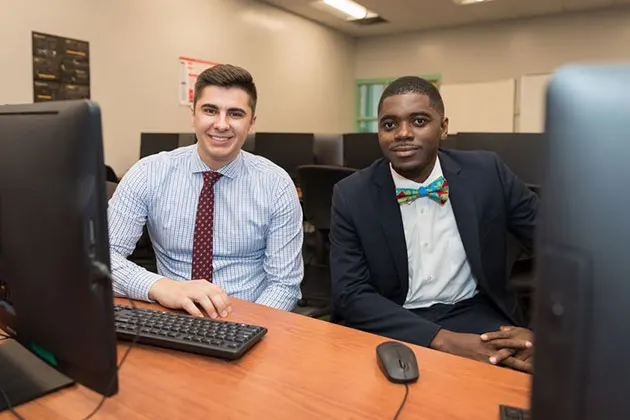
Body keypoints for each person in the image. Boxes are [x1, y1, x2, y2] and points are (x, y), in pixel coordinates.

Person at [329, 76, 536, 373]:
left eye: (419, 121)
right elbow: (350, 293)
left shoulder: (487, 172)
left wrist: (542, 331)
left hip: (475, 313)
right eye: (389, 125)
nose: (403, 133)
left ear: (444, 126)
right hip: (391, 318)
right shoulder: (350, 194)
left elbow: (556, 248)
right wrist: (445, 341)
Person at [108, 64, 304, 318]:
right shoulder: (149, 173)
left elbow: (284, 284)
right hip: (171, 314)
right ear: (193, 115)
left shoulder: (276, 184)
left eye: (235, 114)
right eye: (210, 110)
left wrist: (247, 328)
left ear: (251, 123)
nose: (221, 124)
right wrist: (159, 286)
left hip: (249, 317)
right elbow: (102, 259)